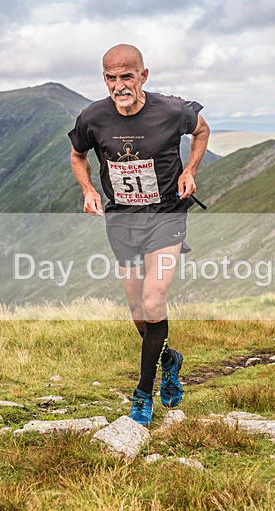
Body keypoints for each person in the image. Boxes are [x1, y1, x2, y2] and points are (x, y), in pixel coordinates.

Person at [68, 44, 210, 426]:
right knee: (138, 315)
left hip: (166, 218)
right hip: (121, 222)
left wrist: (189, 171)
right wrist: (87, 190)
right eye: (111, 78)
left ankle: (143, 395)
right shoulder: (92, 118)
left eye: (126, 76)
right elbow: (78, 154)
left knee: (153, 301)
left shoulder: (170, 110)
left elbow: (201, 130)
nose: (119, 85)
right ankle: (169, 359)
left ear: (143, 76)